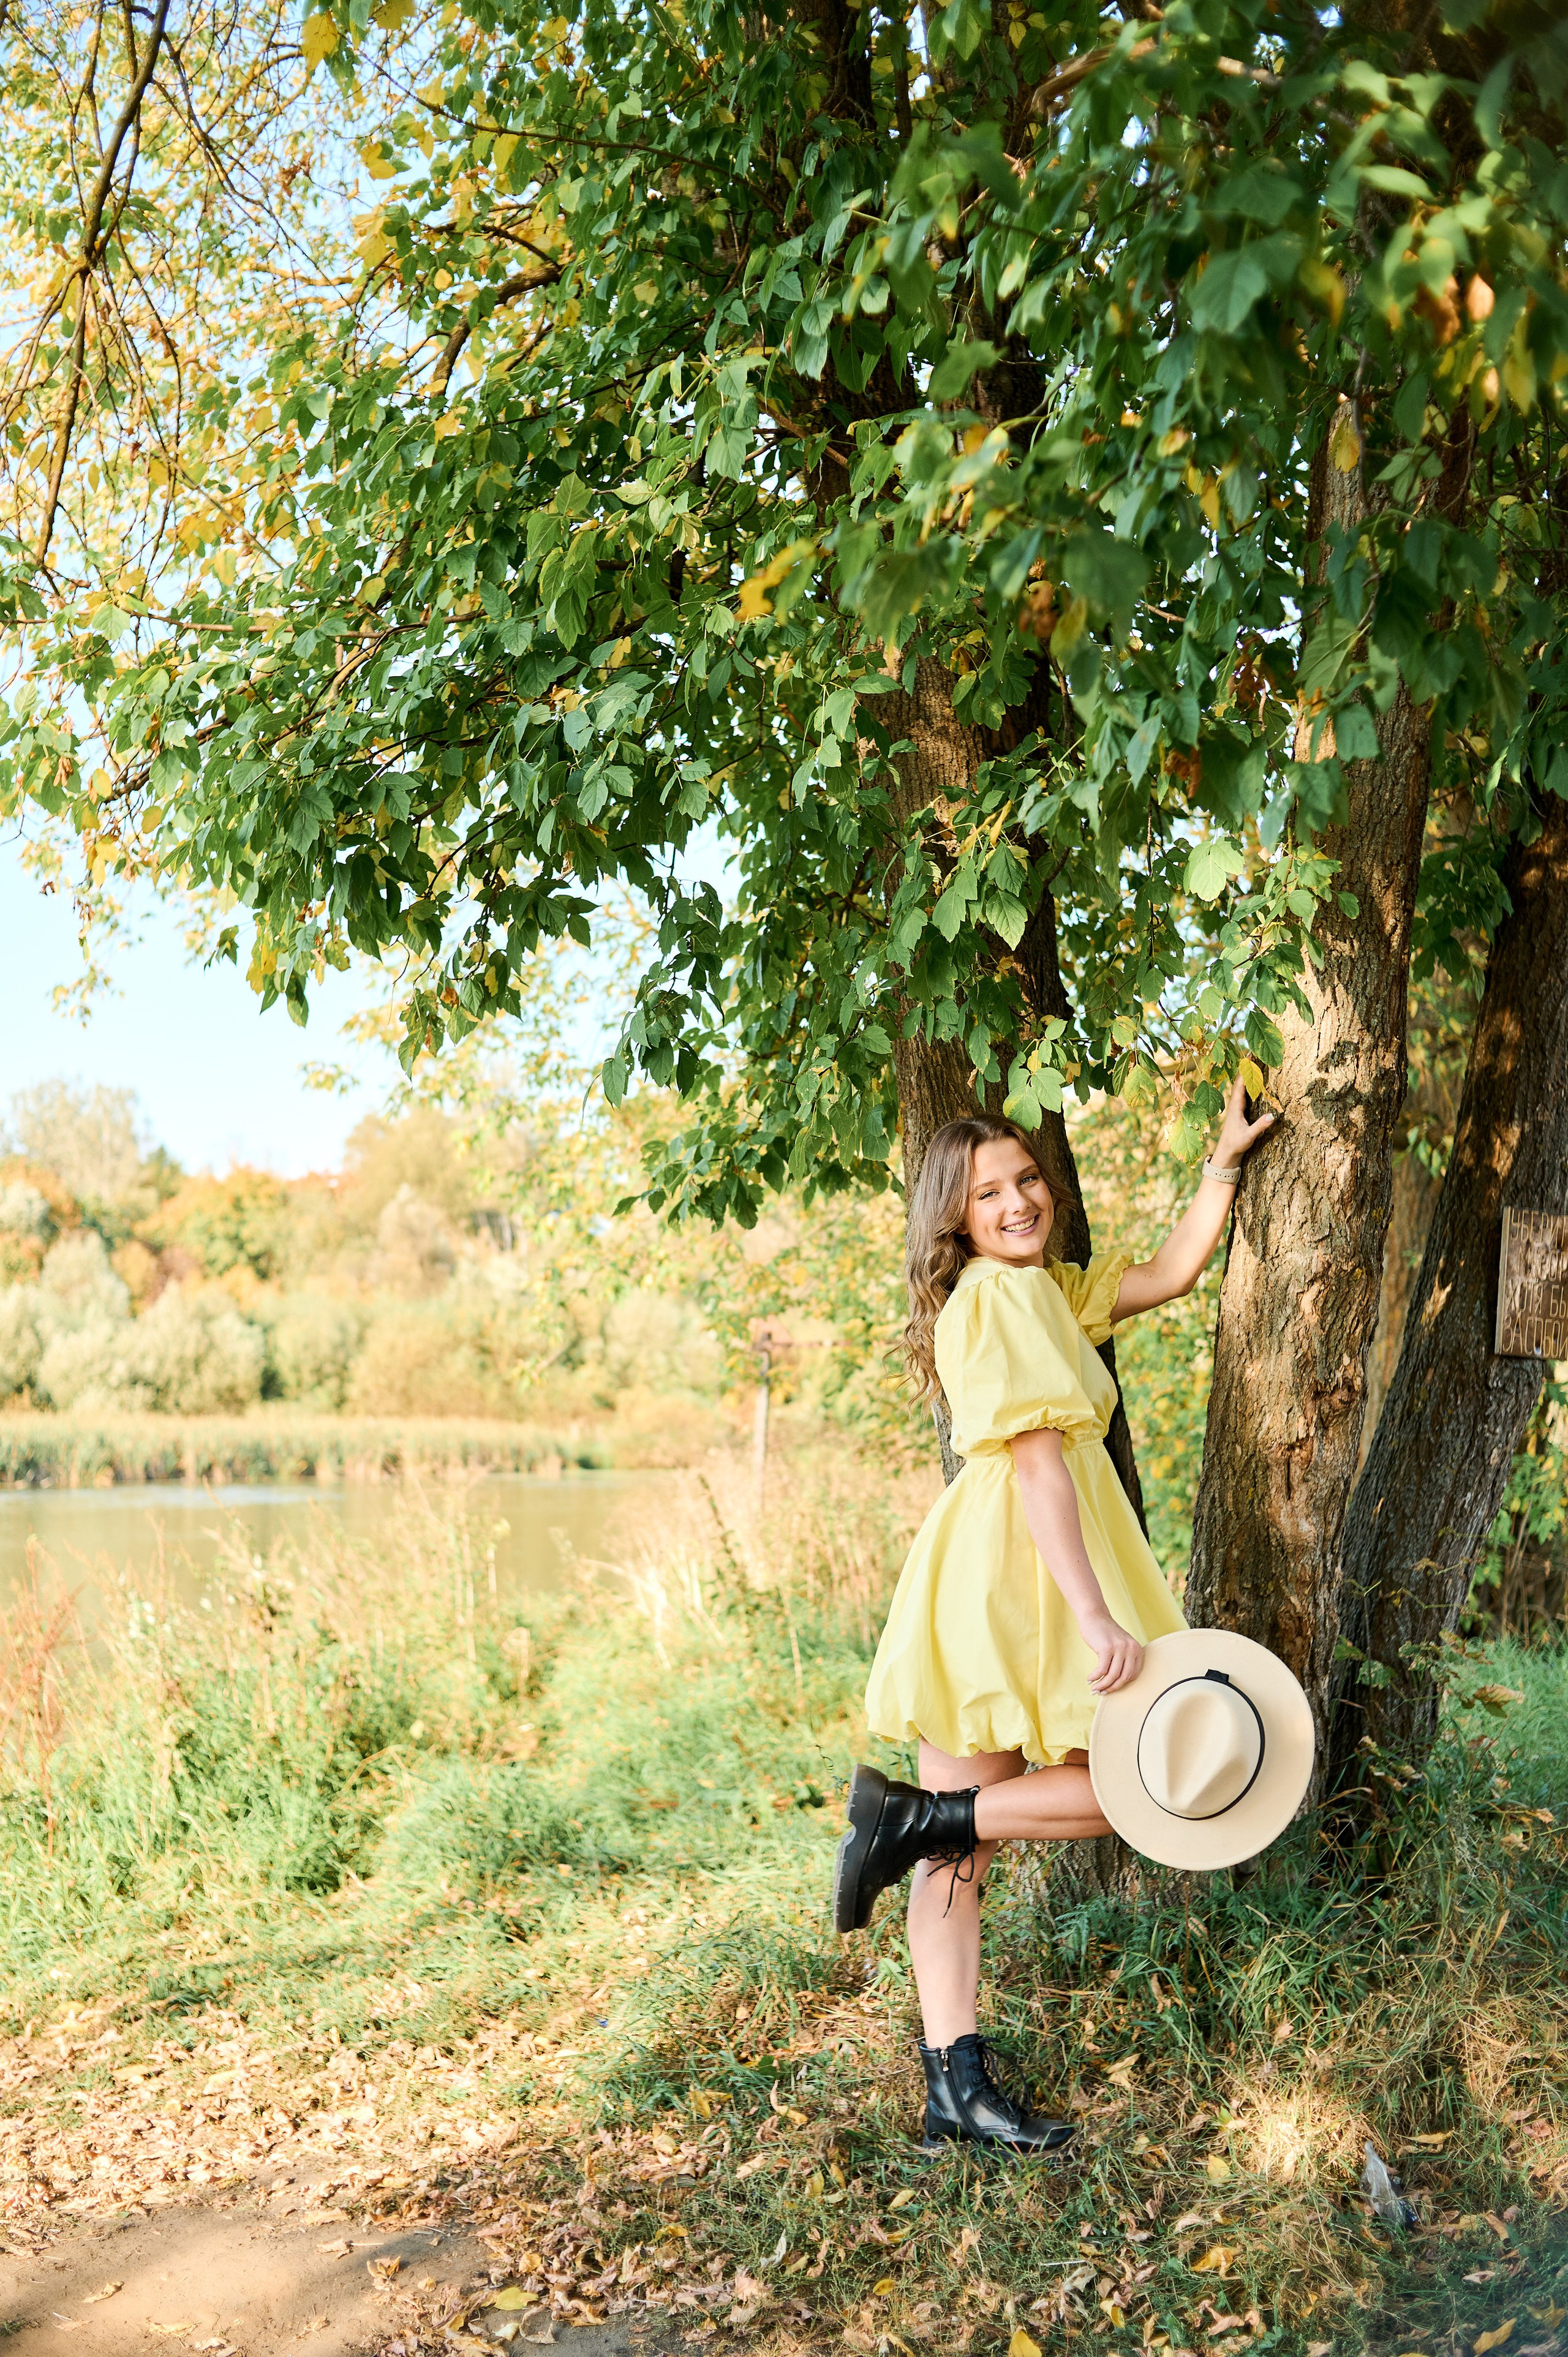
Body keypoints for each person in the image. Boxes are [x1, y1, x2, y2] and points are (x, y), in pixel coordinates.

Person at [830, 1074, 1274, 2155]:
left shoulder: (1039, 1292)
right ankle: (954, 2057)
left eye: (1027, 1179)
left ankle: (951, 2083)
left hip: (1003, 1564)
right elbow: (1036, 1463)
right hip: (1014, 1572)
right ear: (958, 1217)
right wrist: (1093, 1616)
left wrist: (1224, 1164)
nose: (1021, 1202)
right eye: (991, 1194)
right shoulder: (997, 1295)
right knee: (1143, 1787)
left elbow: (1169, 1274)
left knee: (973, 1845)